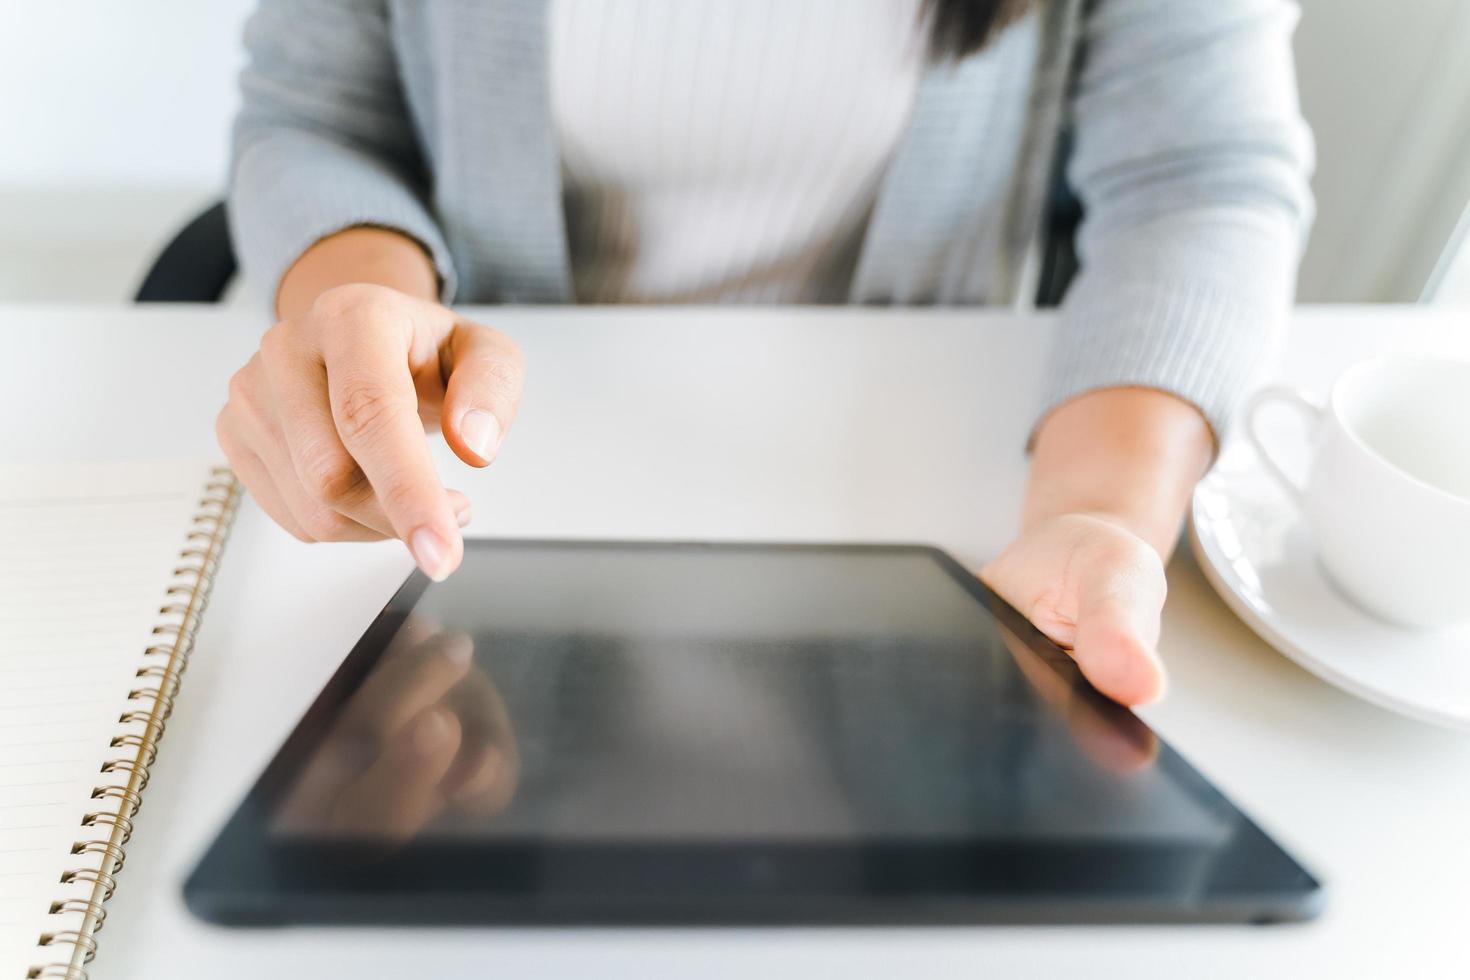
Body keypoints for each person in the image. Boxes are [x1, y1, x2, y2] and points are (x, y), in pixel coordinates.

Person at [215, 0, 1314, 707]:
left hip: (924, 492)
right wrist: (359, 306)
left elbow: (1199, 177)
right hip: (500, 474)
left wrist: (1101, 512)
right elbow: (313, 115)